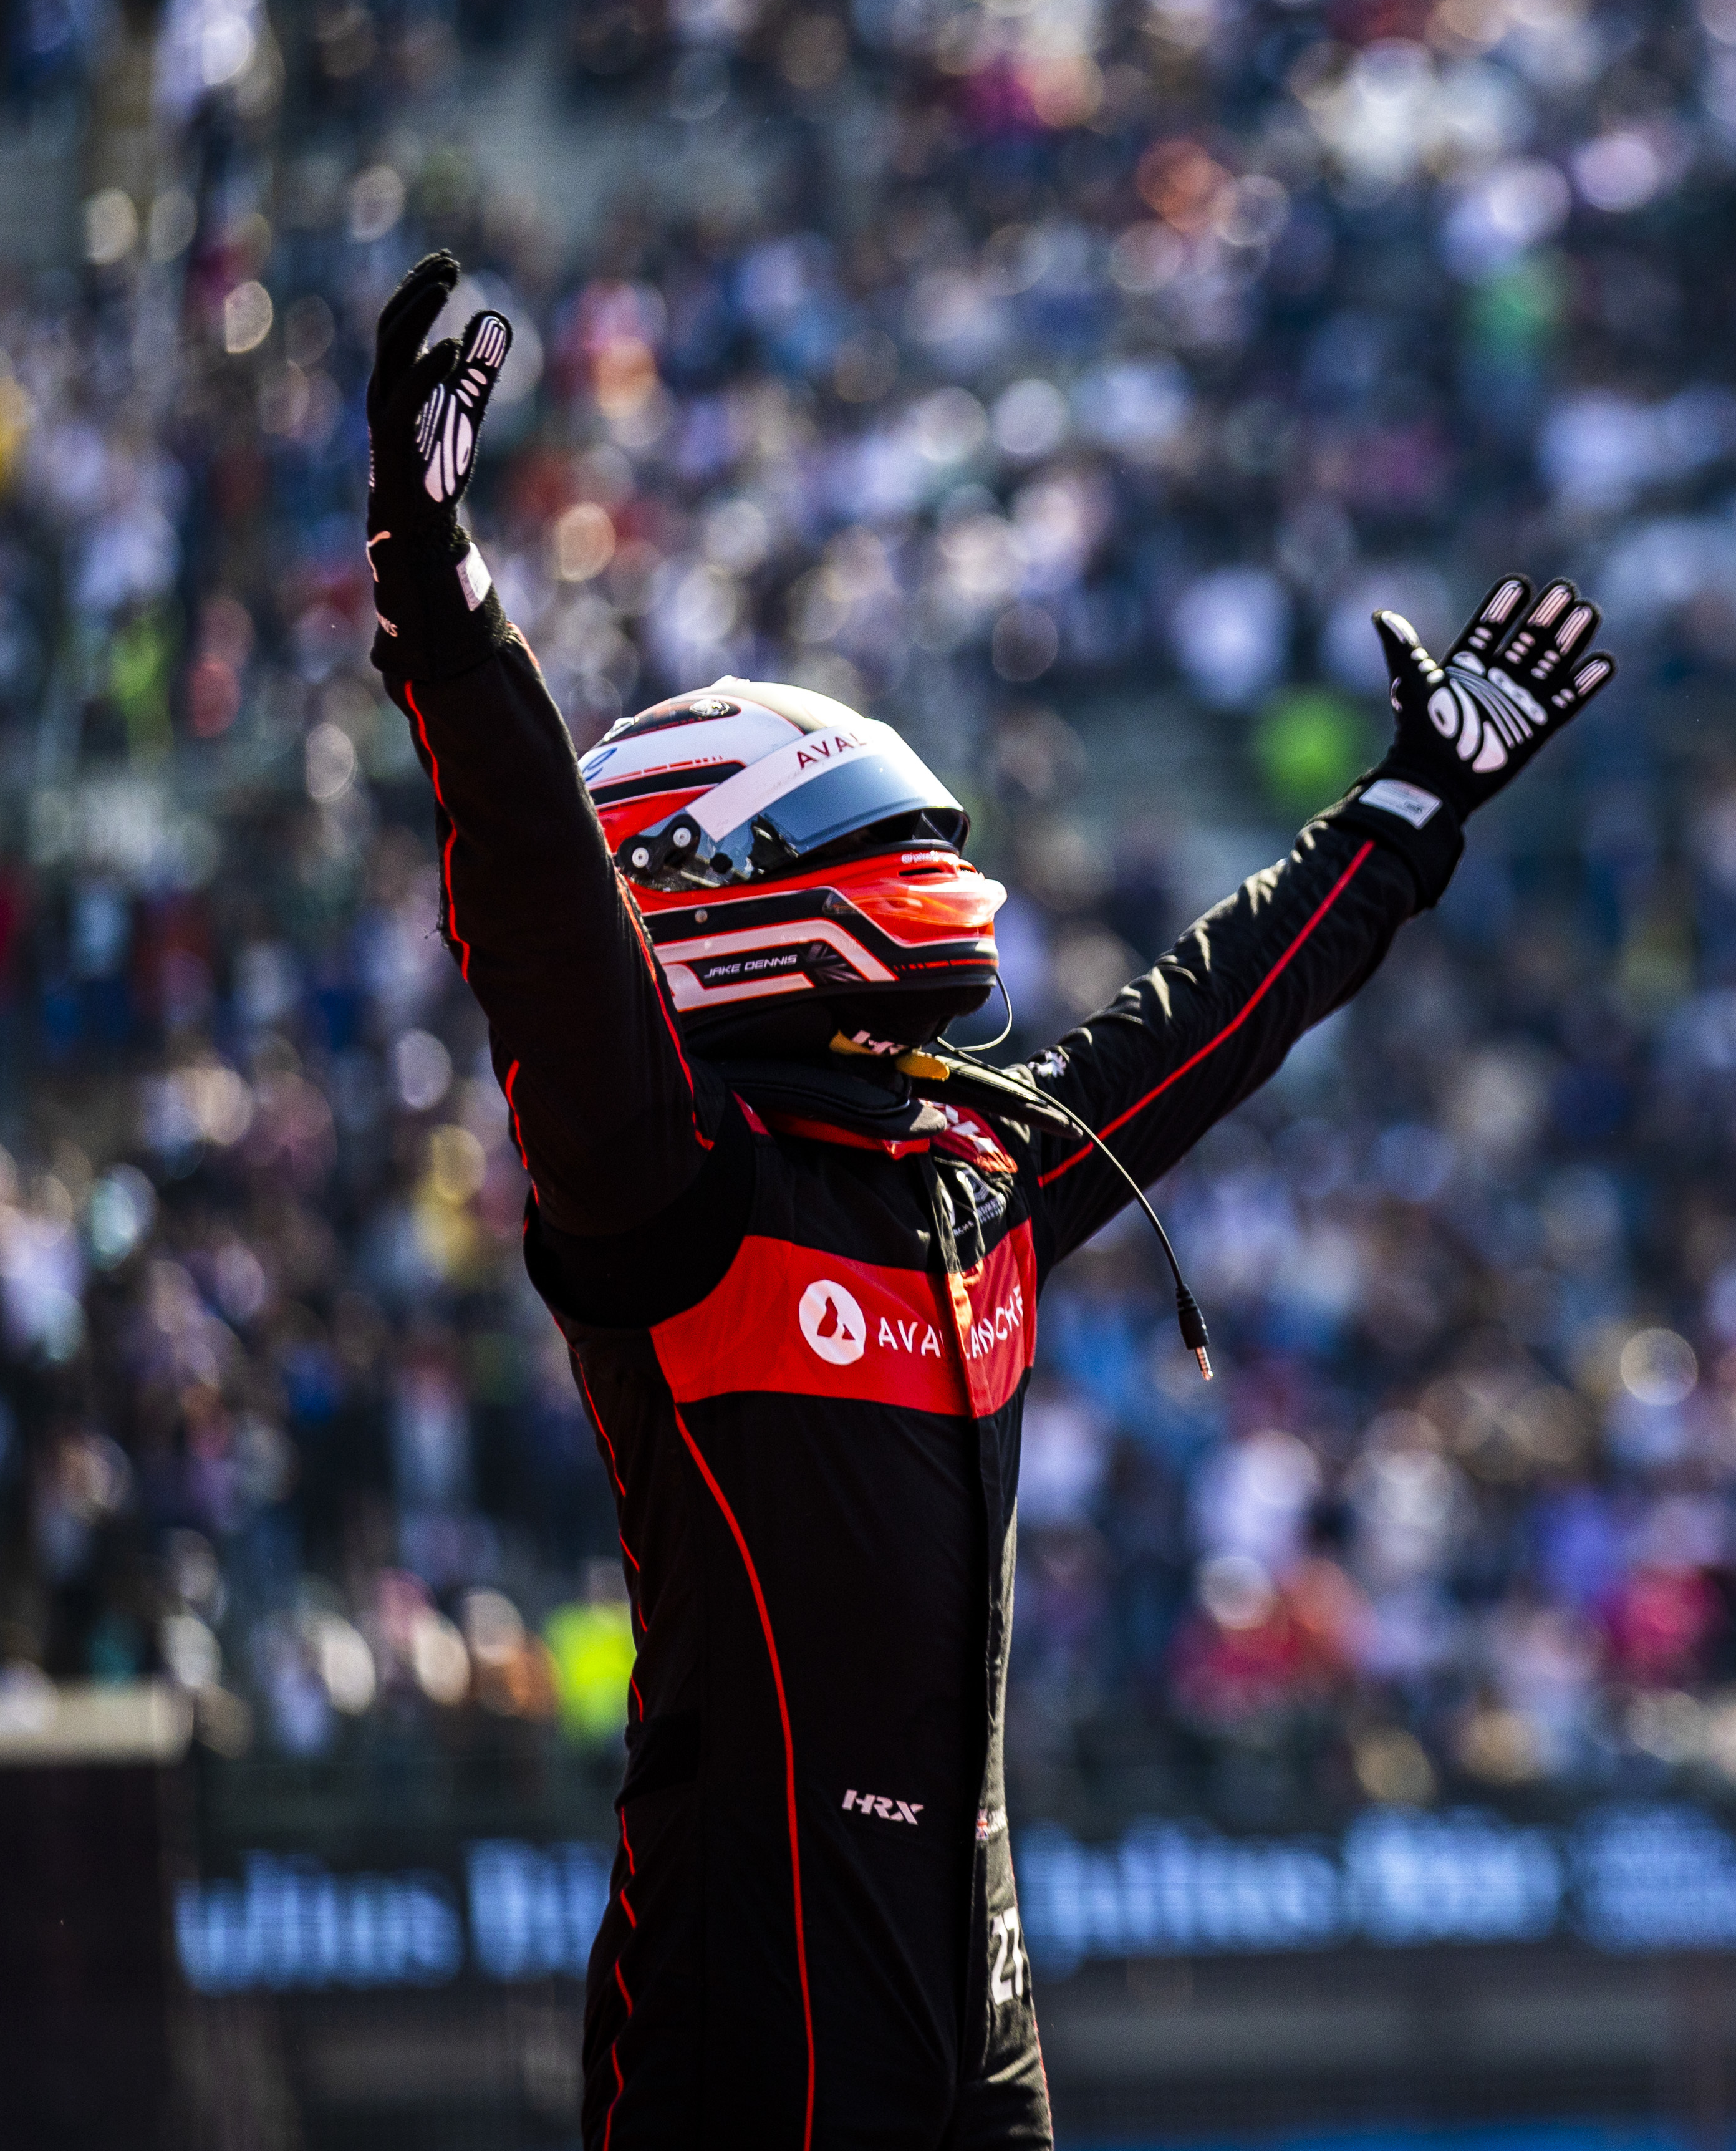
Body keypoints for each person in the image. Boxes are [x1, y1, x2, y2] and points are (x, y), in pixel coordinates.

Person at [362, 251, 1614, 2150]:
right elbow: (539, 909)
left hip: (977, 1997)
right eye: (876, 844)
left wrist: (1406, 814)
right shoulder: (671, 1192)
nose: (940, 875)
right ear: (712, 895)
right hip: (752, 2012)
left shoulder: (969, 1169)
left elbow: (1202, 1026)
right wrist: (448, 603)